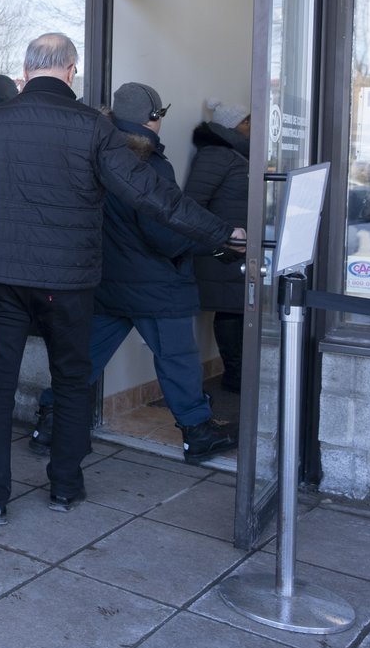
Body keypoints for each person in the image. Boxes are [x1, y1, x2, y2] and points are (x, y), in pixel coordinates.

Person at [0, 33, 244, 525]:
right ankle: (65, 487)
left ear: (26, 71)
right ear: (71, 70)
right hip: (67, 281)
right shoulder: (91, 128)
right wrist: (223, 233)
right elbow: (150, 197)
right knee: (73, 382)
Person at [31, 82, 238, 466]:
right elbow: (164, 232)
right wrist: (209, 246)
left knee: (83, 359)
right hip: (156, 286)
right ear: (153, 119)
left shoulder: (92, 152)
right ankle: (198, 434)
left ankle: (49, 424)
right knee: (178, 359)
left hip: (105, 282)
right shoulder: (151, 165)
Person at [185, 98, 250, 394]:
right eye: (248, 120)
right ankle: (234, 376)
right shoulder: (217, 154)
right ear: (234, 124)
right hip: (222, 250)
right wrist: (220, 238)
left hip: (235, 248)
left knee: (236, 309)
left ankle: (237, 375)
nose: (252, 126)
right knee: (231, 310)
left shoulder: (236, 153)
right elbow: (194, 203)